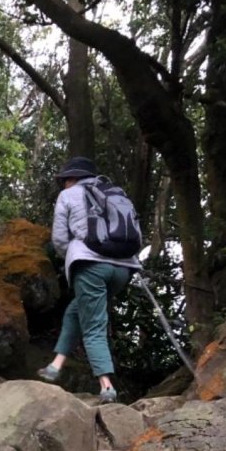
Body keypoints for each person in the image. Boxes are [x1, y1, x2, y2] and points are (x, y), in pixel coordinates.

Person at [37, 156, 142, 403]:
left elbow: (60, 239)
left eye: (64, 180)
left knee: (93, 326)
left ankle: (107, 387)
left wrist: (70, 256)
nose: (63, 185)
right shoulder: (115, 193)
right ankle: (55, 365)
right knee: (76, 310)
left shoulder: (69, 195)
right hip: (123, 268)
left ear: (72, 179)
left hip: (90, 266)